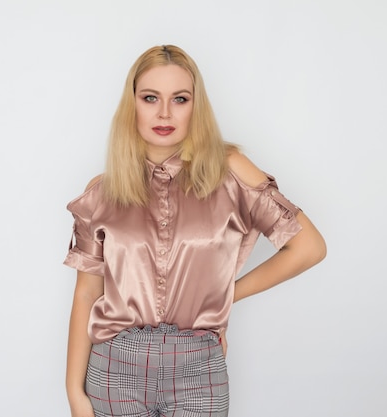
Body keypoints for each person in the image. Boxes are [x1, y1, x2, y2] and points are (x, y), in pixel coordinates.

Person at [64, 45, 326, 417]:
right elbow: (87, 292)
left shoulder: (231, 171)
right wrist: (75, 393)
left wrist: (225, 295)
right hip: (113, 369)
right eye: (150, 97)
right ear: (132, 103)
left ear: (195, 106)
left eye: (180, 99)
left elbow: (309, 247)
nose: (165, 112)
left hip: (197, 371)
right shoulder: (102, 192)